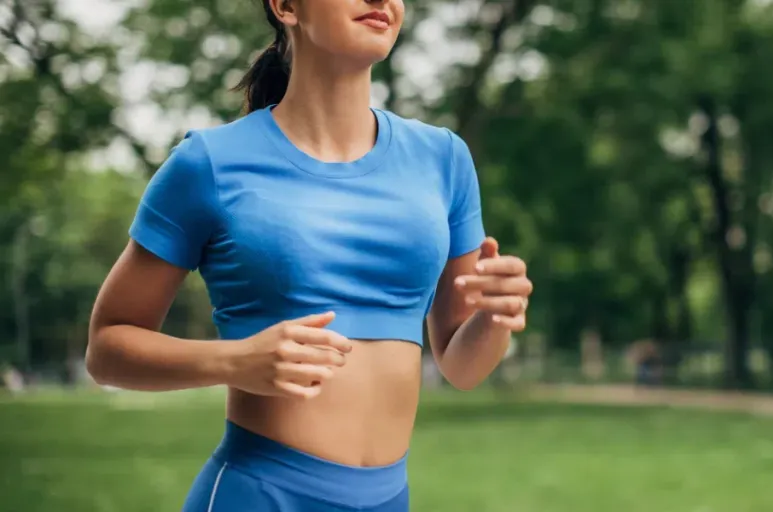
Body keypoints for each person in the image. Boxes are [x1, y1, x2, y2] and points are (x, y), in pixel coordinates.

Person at [85, 1, 533, 511]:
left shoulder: (444, 159)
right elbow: (106, 349)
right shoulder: (207, 164)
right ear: (285, 6)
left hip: (389, 499)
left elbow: (461, 366)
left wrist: (497, 316)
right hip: (259, 495)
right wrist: (235, 361)